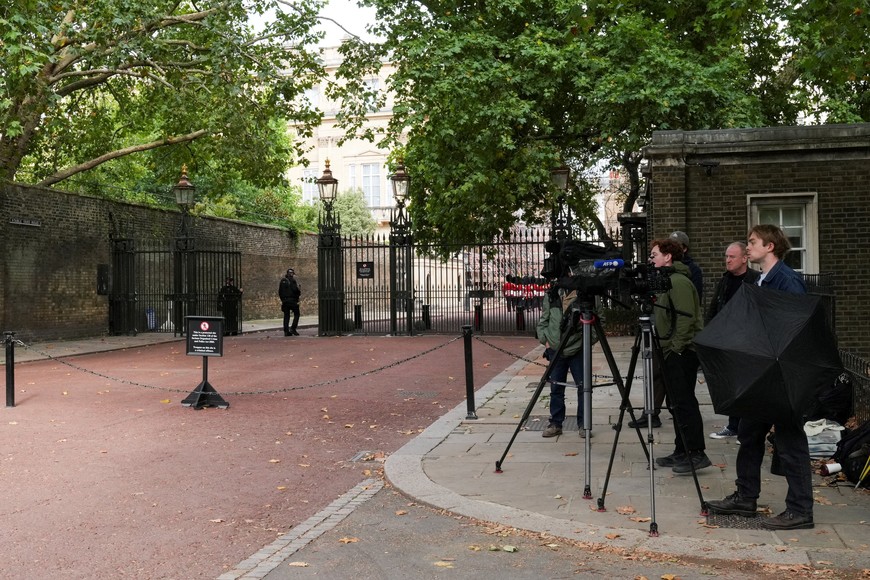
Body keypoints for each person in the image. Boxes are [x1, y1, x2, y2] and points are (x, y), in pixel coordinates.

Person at [707, 224, 814, 530]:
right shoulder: (760, 279)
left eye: (753, 242)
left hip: (781, 376)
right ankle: (745, 496)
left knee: (790, 441)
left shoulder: (787, 280)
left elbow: (795, 327)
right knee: (750, 433)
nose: (748, 246)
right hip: (763, 373)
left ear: (770, 246)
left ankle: (800, 510)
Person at [647, 238, 710, 475]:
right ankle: (681, 450)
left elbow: (686, 318)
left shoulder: (679, 281)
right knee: (675, 404)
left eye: (654, 255)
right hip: (670, 350)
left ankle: (696, 452)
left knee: (684, 402)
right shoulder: (667, 281)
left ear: (668, 257)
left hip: (681, 352)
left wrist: (676, 347)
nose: (651, 259)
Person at [537, 242, 597, 439]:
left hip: (577, 348)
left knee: (583, 388)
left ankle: (583, 424)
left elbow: (599, 321)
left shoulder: (585, 294)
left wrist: (587, 341)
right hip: (555, 348)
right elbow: (543, 320)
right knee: (556, 388)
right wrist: (545, 340)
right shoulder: (553, 293)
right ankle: (556, 423)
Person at [705, 242, 760, 439]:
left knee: (747, 386)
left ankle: (747, 430)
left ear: (744, 258)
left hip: (748, 340)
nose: (727, 260)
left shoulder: (755, 280)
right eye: (726, 256)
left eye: (732, 257)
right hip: (727, 339)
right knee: (730, 384)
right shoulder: (725, 280)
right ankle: (733, 426)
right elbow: (714, 308)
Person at [670, 231, 704, 299]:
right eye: (670, 245)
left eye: (676, 245)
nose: (672, 248)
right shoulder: (665, 265)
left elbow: (696, 296)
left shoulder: (694, 270)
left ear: (684, 249)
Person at [279, 268, 301, 336]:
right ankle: (293, 328)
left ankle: (286, 331)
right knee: (297, 314)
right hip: (292, 301)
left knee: (286, 316)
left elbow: (280, 292)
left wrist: (283, 300)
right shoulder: (292, 281)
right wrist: (298, 290)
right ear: (292, 274)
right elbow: (295, 290)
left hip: (285, 301)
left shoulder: (282, 281)